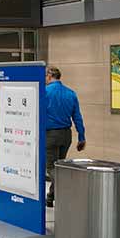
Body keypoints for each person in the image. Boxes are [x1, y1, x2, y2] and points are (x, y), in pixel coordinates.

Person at [44, 66, 85, 207]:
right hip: (66, 135)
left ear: (49, 76)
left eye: (45, 77)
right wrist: (81, 137)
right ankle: (50, 198)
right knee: (59, 166)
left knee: (51, 168)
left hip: (50, 134)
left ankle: (67, 189)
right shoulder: (71, 93)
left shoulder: (44, 92)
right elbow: (77, 117)